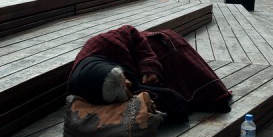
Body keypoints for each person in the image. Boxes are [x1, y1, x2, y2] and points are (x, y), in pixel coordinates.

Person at [68, 25, 232, 124]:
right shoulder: (90, 85)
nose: (129, 84)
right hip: (150, 73)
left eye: (125, 81)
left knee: (184, 62)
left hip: (156, 47)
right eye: (125, 87)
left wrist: (148, 66)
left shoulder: (103, 44)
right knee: (180, 94)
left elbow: (131, 31)